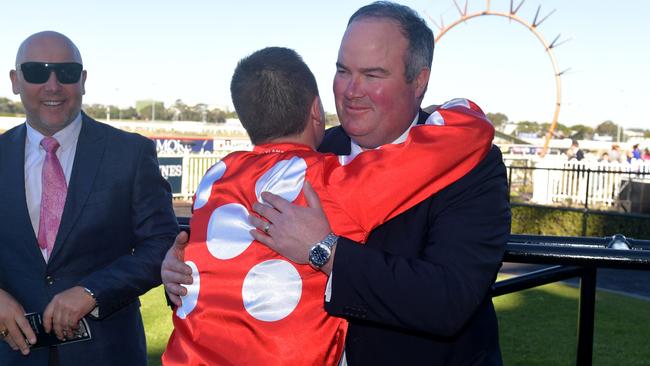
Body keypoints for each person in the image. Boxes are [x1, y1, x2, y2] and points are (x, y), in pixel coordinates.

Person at [163, 2, 511, 365]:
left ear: (418, 80)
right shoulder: (306, 152)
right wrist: (182, 274)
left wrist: (325, 251)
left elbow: (448, 299)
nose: (351, 90)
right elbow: (241, 264)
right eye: (343, 71)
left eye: (373, 75)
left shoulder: (469, 163)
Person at [0, 31, 178, 365]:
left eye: (66, 73)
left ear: (82, 80)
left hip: (107, 353)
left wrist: (92, 292)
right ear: (15, 80)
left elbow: (162, 243)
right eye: (37, 72)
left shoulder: (130, 153)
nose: (53, 86)